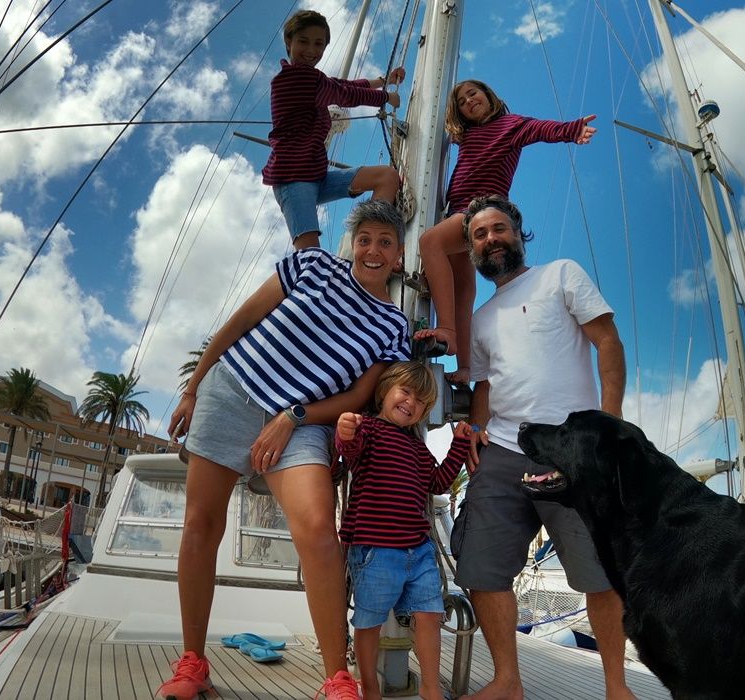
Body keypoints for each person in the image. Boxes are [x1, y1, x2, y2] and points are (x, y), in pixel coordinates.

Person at [158, 199, 411, 700]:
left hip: (302, 421)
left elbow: (360, 397)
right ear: (352, 244)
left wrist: (291, 415)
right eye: (365, 239)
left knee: (318, 531)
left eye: (385, 242)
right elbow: (240, 319)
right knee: (200, 524)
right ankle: (192, 664)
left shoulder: (394, 326)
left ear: (399, 255)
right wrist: (192, 387)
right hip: (231, 389)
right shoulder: (312, 264)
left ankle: (336, 677)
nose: (373, 250)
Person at [450, 196, 635, 700]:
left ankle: (617, 687)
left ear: (518, 233)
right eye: (480, 235)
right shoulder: (481, 320)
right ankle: (508, 682)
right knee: (481, 569)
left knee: (599, 574)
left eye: (499, 229)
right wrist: (475, 429)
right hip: (504, 452)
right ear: (472, 249)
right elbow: (485, 387)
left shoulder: (561, 275)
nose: (491, 239)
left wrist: (609, 423)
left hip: (573, 449)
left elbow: (609, 342)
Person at [413, 80, 596, 382]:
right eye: (461, 101)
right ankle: (467, 367)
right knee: (463, 291)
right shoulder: (467, 135)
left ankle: (446, 329)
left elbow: (541, 129)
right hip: (457, 213)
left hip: (481, 209)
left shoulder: (509, 125)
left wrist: (571, 130)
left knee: (430, 242)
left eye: (473, 93)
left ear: (489, 95)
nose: (468, 101)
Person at [335, 362, 472, 700]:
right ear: (385, 392)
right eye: (406, 392)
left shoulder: (416, 447)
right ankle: (370, 688)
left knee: (430, 615)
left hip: (419, 548)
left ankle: (430, 688)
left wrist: (457, 446)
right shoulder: (367, 429)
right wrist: (345, 430)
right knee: (369, 621)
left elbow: (438, 481)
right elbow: (348, 453)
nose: (412, 403)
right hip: (375, 549)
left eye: (422, 402)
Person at [265, 9, 406, 250]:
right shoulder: (292, 79)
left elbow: (341, 85)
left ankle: (367, 249)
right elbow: (345, 94)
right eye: (303, 41)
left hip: (316, 175)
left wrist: (383, 81)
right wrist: (385, 97)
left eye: (318, 44)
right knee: (310, 258)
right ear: (288, 42)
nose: (311, 50)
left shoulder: (312, 77)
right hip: (293, 179)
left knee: (387, 177)